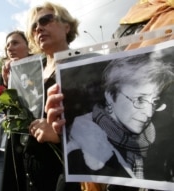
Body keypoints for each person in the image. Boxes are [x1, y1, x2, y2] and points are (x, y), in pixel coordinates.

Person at [45, 53, 174, 190]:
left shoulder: (158, 141)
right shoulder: (81, 145)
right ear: (110, 95)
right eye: (140, 100)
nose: (149, 113)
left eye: (155, 102)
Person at [15, 2, 81, 191]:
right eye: (34, 27)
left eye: (46, 20)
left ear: (67, 26)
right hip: (33, 167)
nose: (39, 28)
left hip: (67, 171)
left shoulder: (85, 63)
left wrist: (60, 136)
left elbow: (107, 123)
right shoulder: (32, 71)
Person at [0, 30, 31, 191]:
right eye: (7, 45)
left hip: (36, 139)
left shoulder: (41, 70)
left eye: (15, 43)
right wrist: (7, 82)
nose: (10, 48)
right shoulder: (1, 76)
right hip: (12, 137)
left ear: (29, 46)